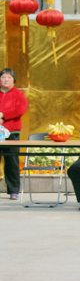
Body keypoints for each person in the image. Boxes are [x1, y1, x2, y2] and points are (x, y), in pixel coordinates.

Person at [0, 68, 28, 200]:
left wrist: (3, 115)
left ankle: (14, 191)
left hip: (12, 133)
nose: (6, 80)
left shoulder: (18, 94)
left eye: (9, 77)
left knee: (12, 162)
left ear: (14, 80)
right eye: (3, 77)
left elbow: (20, 110)